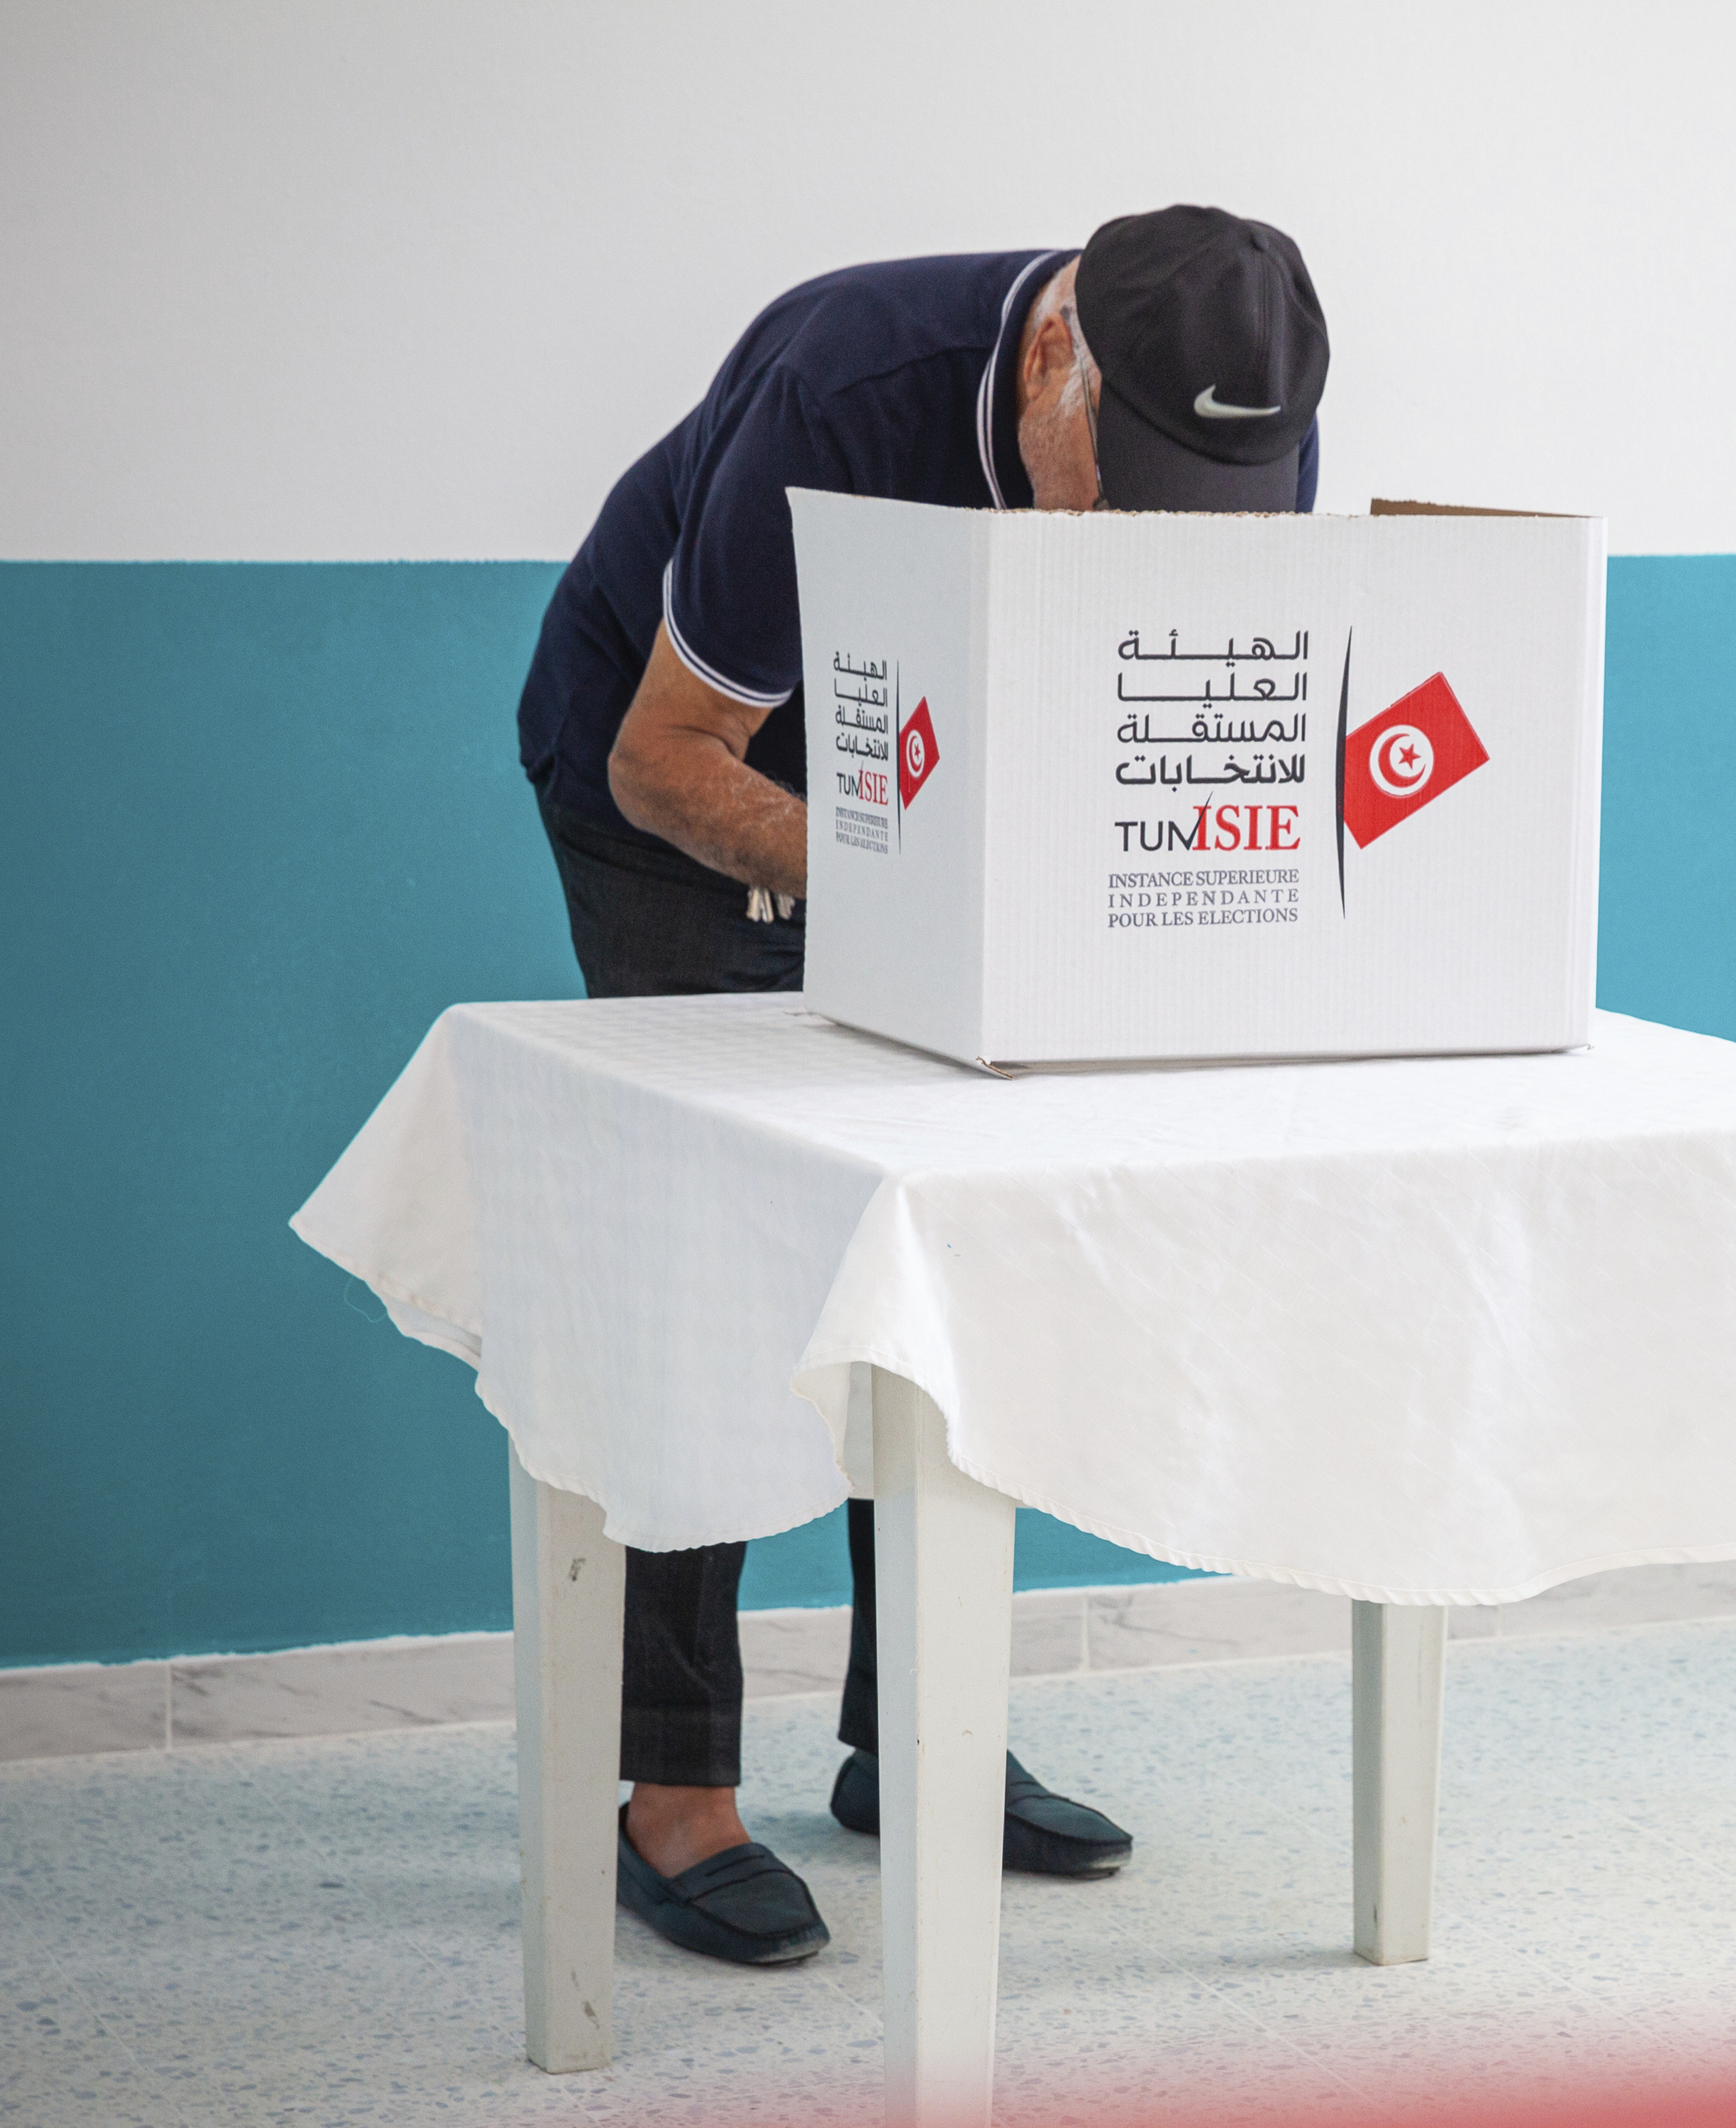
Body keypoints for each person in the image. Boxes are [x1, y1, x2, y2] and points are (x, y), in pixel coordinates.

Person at [511, 206, 1331, 1966]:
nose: (1129, 542)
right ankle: (675, 1788)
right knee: (712, 1266)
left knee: (953, 1242)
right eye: (1112, 495)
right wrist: (928, 893)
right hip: (672, 779)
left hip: (932, 813)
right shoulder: (845, 392)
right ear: (1055, 366)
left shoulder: (1245, 418)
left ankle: (920, 1738)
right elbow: (663, 760)